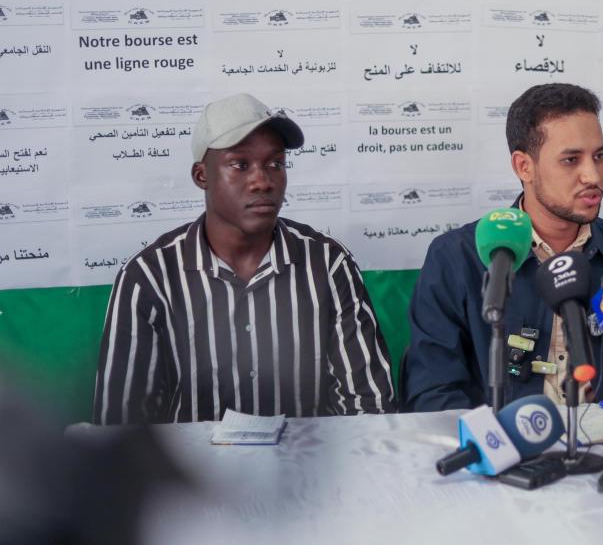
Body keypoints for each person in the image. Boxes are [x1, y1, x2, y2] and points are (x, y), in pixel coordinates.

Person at [93, 93, 395, 424]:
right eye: (240, 165)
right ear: (201, 176)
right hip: (195, 460)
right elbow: (122, 425)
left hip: (309, 455)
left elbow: (369, 408)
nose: (262, 181)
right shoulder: (149, 277)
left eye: (275, 164)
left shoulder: (327, 264)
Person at [402, 84, 603, 411]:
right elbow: (434, 394)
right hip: (501, 441)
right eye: (571, 160)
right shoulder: (456, 257)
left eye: (599, 156)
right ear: (524, 166)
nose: (592, 175)